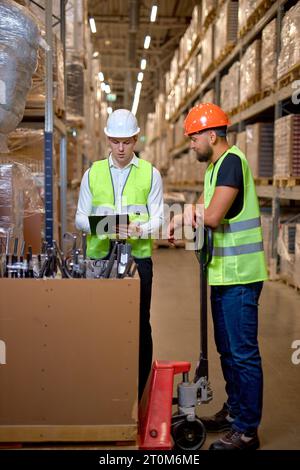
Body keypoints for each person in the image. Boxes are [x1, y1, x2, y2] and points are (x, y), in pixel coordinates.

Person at [168, 103, 268, 450]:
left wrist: (182, 217)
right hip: (222, 274)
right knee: (227, 352)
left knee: (242, 353)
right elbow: (209, 220)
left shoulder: (232, 164)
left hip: (241, 277)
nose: (190, 144)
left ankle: (247, 430)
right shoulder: (213, 169)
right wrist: (184, 223)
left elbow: (212, 217)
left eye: (194, 138)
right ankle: (234, 411)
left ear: (212, 135)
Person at [76, 109, 164, 399]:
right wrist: (111, 226)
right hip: (99, 261)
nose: (121, 148)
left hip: (137, 262)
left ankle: (136, 393)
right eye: (115, 141)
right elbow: (79, 219)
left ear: (136, 138)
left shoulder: (151, 174)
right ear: (108, 140)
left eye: (127, 141)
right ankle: (101, 389)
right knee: (100, 324)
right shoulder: (93, 174)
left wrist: (139, 230)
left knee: (139, 324)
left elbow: (159, 219)